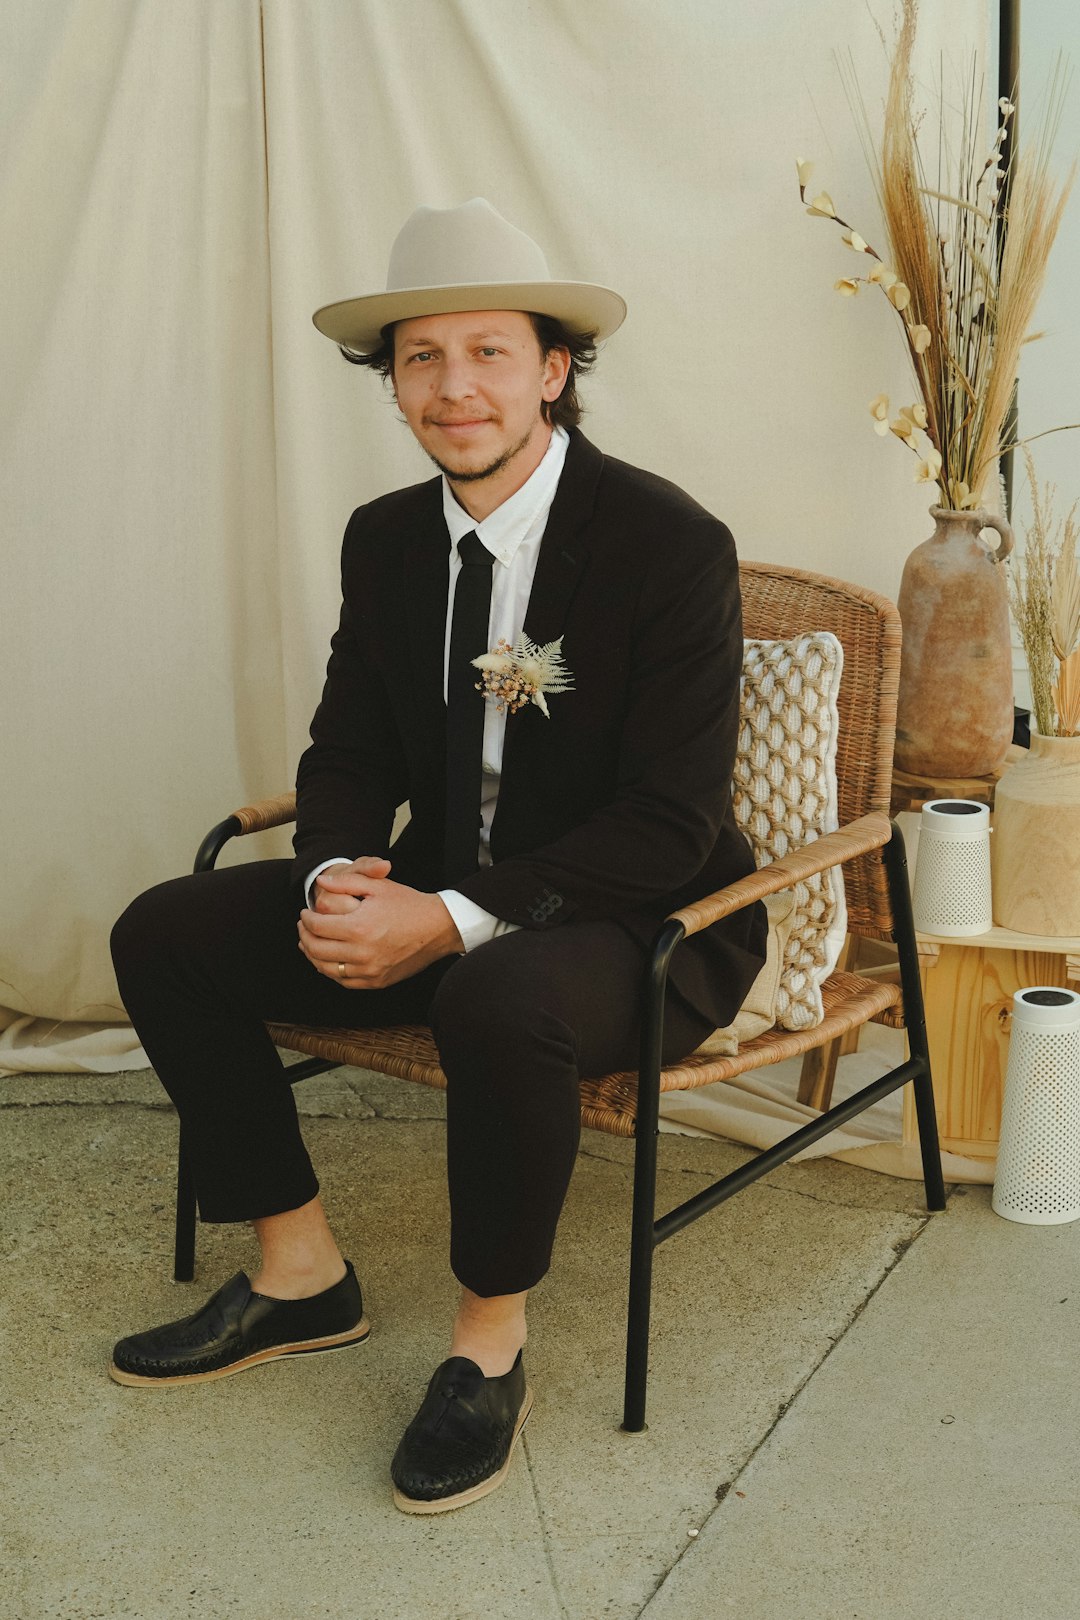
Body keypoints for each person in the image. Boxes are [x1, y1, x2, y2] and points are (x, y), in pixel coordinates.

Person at [108, 198, 766, 1514]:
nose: (454, 388)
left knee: (496, 993)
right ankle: (301, 1277)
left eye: (489, 353)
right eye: (422, 358)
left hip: (644, 925)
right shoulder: (387, 539)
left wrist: (450, 918)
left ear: (554, 370)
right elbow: (350, 750)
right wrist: (342, 880)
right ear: (394, 380)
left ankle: (486, 1345)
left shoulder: (668, 545)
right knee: (162, 930)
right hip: (440, 897)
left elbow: (668, 825)